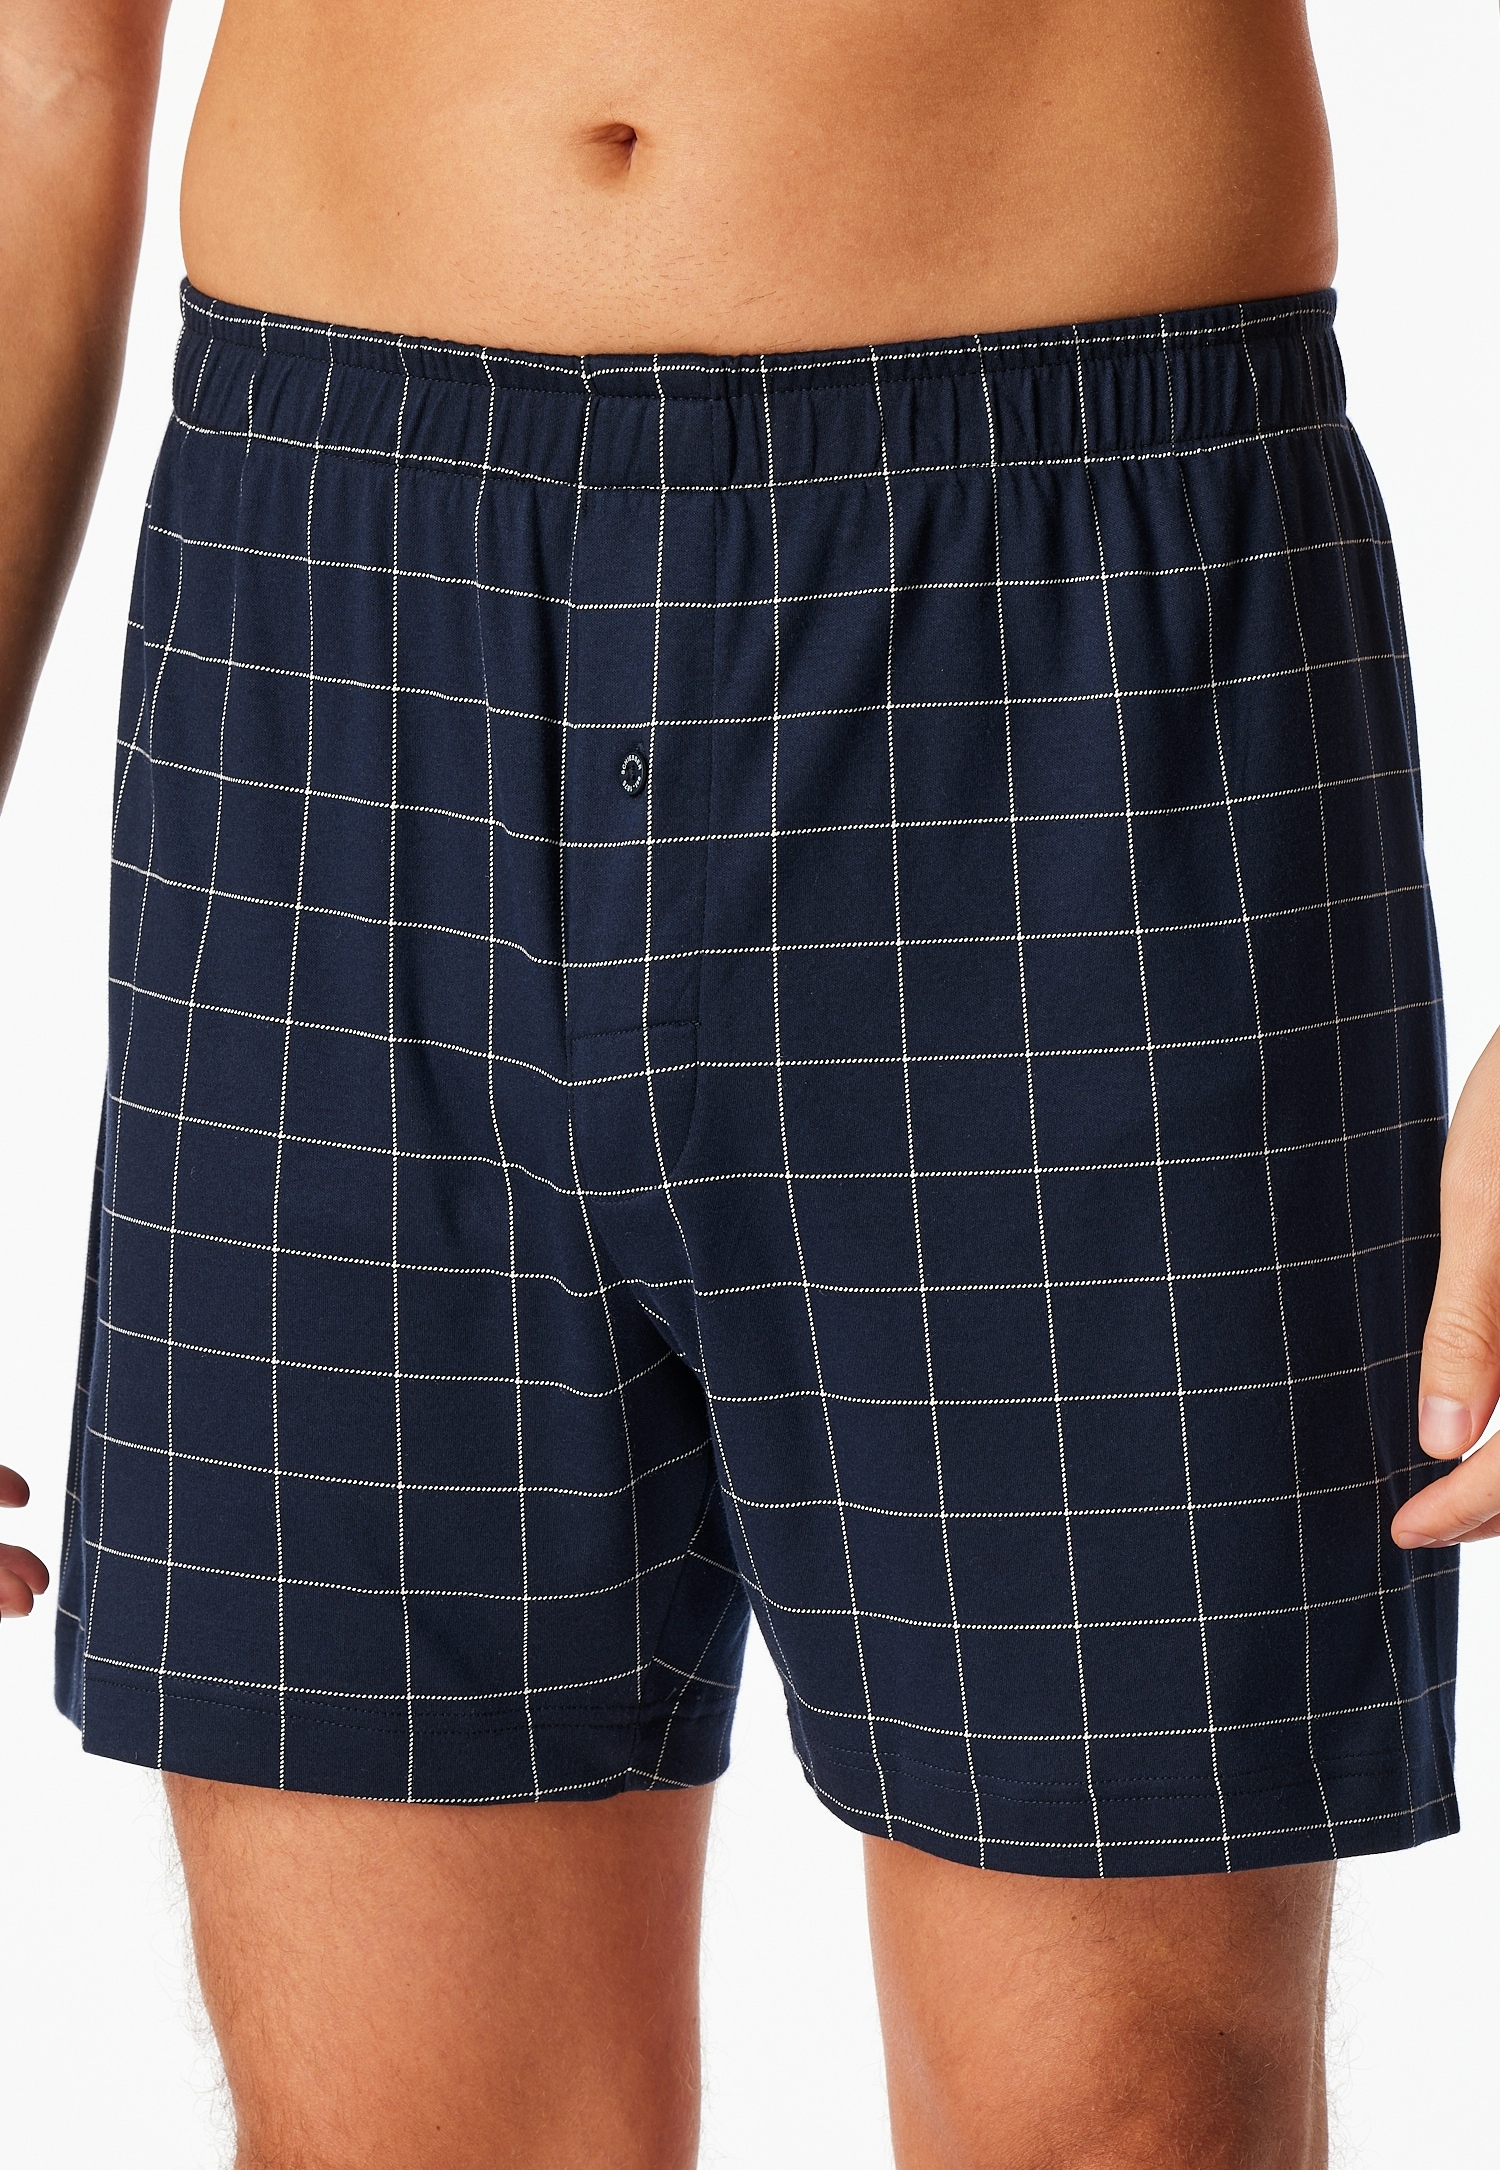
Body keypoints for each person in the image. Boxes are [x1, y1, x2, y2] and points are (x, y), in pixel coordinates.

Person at [4, 1, 1500, 2162]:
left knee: (1125, 2114)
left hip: (1065, 638)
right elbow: (37, 86)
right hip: (335, 634)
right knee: (391, 2130)